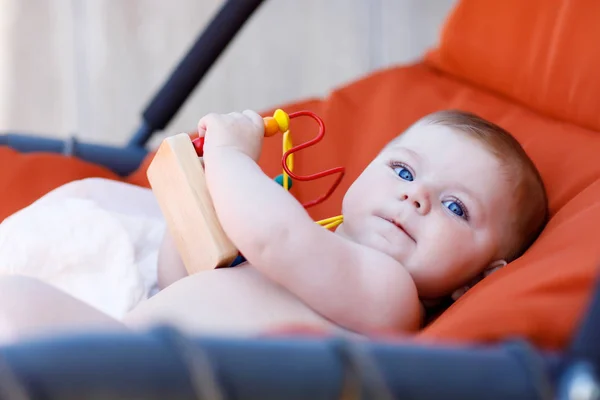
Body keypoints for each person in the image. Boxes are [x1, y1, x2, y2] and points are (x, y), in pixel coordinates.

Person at [0, 109, 548, 344]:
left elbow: (275, 237)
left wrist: (231, 159)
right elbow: (186, 275)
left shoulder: (391, 296)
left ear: (477, 279)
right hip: (133, 334)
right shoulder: (317, 249)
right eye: (403, 170)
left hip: (151, 377)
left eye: (457, 208)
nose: (416, 195)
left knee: (15, 307)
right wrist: (193, 221)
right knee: (93, 198)